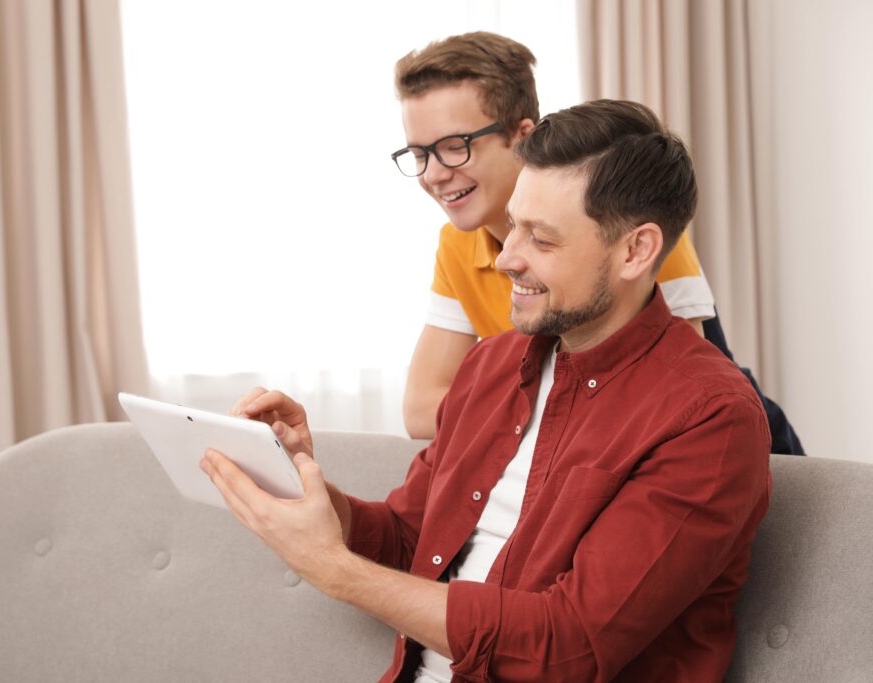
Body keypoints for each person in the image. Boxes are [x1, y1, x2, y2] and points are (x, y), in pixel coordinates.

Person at [201, 100, 772, 682]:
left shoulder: (710, 418)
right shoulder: (492, 365)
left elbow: (568, 645)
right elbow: (408, 540)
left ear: (636, 251)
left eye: (543, 241)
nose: (507, 258)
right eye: (513, 225)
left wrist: (334, 571)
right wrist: (308, 490)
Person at [395, 32, 803, 455]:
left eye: (453, 148)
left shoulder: (629, 220)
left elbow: (673, 400)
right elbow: (422, 410)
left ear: (522, 136)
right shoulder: (458, 244)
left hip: (731, 450)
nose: (433, 175)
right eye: (420, 154)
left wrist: (510, 406)